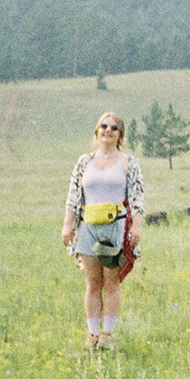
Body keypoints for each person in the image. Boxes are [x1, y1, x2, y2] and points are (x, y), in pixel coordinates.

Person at [60, 113, 145, 349]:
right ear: (96, 132)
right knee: (92, 283)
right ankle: (92, 335)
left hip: (114, 226)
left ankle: (108, 334)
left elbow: (136, 197)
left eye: (114, 128)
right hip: (88, 225)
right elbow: (74, 196)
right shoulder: (84, 162)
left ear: (120, 134)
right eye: (104, 126)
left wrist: (136, 226)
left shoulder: (128, 162)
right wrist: (68, 225)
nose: (108, 130)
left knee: (111, 282)